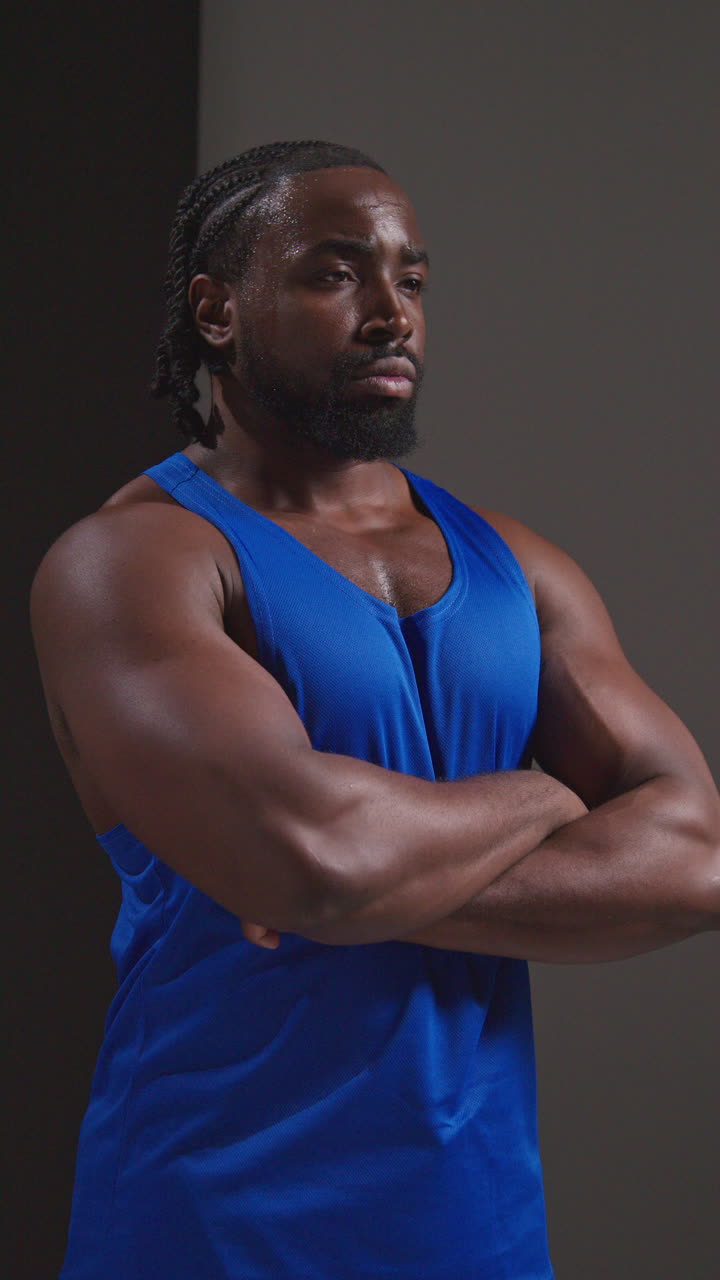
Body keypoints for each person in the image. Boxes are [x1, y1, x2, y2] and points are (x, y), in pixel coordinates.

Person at [31, 139, 719, 1279]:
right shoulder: (132, 563)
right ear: (217, 310)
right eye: (334, 272)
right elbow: (317, 862)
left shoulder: (521, 564)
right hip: (210, 1214)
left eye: (411, 279)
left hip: (478, 1217)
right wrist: (546, 794)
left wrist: (351, 883)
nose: (392, 312)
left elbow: (695, 854)